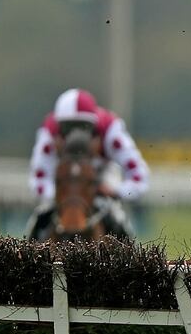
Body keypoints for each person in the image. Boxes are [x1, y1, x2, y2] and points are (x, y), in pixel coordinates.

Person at [26, 88, 149, 240]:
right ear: (59, 126)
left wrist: (115, 191)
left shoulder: (111, 130)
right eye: (68, 129)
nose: (75, 136)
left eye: (83, 128)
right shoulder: (48, 133)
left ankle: (132, 256)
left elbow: (139, 178)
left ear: (94, 124)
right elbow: (38, 181)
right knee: (41, 215)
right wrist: (62, 196)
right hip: (62, 183)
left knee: (117, 216)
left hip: (101, 177)